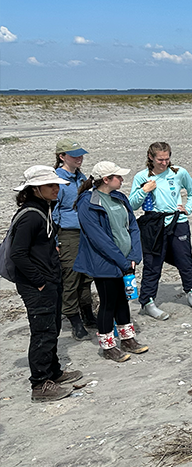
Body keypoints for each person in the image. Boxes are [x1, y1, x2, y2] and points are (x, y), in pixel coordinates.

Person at [7, 165, 82, 402]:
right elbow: (18, 254)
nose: (56, 189)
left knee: (52, 328)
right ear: (35, 189)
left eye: (56, 185)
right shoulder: (30, 215)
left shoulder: (43, 209)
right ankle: (40, 384)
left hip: (48, 279)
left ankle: (54, 373)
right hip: (37, 284)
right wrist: (40, 282)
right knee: (43, 331)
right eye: (51, 185)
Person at [74, 162, 147, 363]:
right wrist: (122, 261)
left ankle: (127, 338)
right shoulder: (87, 202)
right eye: (118, 177)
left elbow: (132, 226)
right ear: (106, 179)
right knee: (108, 302)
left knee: (123, 299)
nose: (122, 180)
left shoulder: (119, 197)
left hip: (125, 260)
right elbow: (99, 239)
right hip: (104, 262)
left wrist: (134, 256)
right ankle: (108, 346)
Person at [128, 142, 192, 320]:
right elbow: (132, 204)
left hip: (178, 221)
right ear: (151, 158)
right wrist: (144, 190)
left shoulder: (178, 172)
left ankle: (191, 292)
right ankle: (147, 302)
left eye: (167, 159)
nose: (164, 163)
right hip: (154, 223)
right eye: (160, 159)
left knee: (185, 259)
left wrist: (188, 208)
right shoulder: (142, 176)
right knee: (153, 263)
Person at [52, 138, 96, 340]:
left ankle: (87, 313)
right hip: (68, 234)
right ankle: (73, 318)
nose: (80, 158)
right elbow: (52, 213)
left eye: (81, 154)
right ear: (62, 157)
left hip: (86, 232)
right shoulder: (57, 180)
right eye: (74, 155)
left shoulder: (81, 177)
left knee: (87, 276)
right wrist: (55, 242)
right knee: (70, 276)